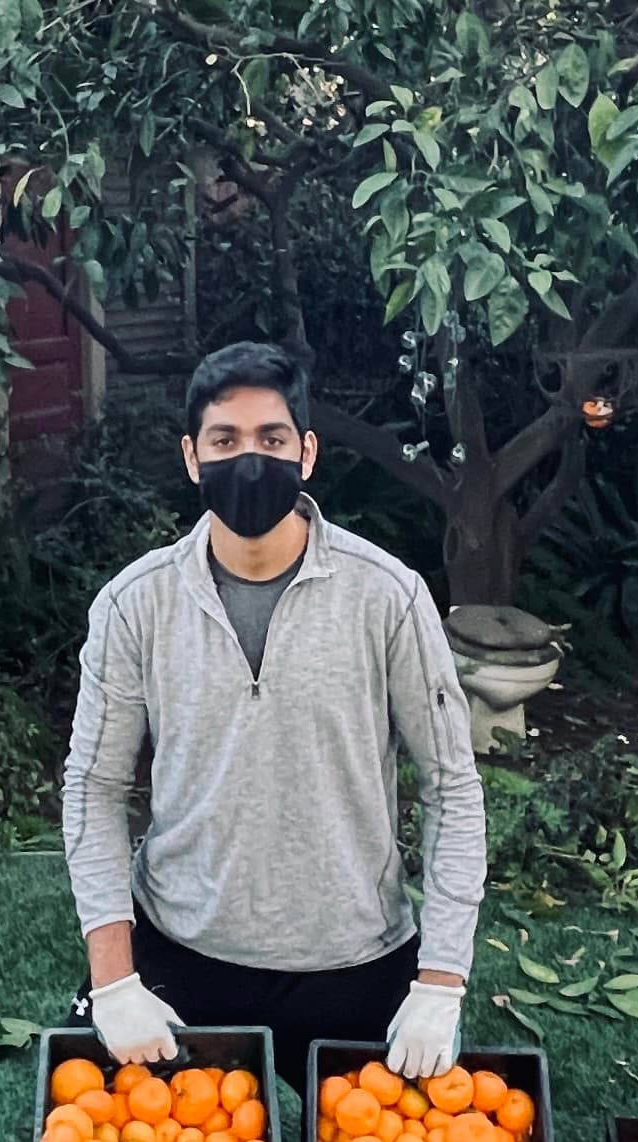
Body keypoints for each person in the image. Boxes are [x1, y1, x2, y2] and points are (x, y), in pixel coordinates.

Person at [61, 342, 487, 1089]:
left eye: (272, 438)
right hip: (180, 950)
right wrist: (114, 978)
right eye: (225, 440)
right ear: (192, 457)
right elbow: (94, 786)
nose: (249, 460)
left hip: (355, 959)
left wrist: (442, 979)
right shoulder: (135, 605)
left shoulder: (388, 597)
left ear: (307, 453)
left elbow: (452, 785)